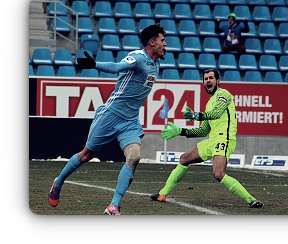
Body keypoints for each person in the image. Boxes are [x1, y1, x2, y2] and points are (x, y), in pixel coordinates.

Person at [48, 24, 167, 215]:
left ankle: (113, 205)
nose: (165, 44)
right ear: (151, 42)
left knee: (134, 156)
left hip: (130, 121)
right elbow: (117, 67)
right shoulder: (137, 57)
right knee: (86, 155)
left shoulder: (156, 64)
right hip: (110, 115)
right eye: (162, 40)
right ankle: (58, 182)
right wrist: (95, 64)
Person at [149, 69, 263, 209]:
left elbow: (216, 113)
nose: (208, 81)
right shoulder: (209, 103)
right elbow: (203, 131)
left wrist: (196, 116)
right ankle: (162, 194)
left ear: (218, 81)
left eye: (211, 78)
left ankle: (251, 199)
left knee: (218, 174)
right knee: (184, 159)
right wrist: (180, 130)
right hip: (212, 140)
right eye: (205, 79)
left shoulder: (224, 94)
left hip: (224, 138)